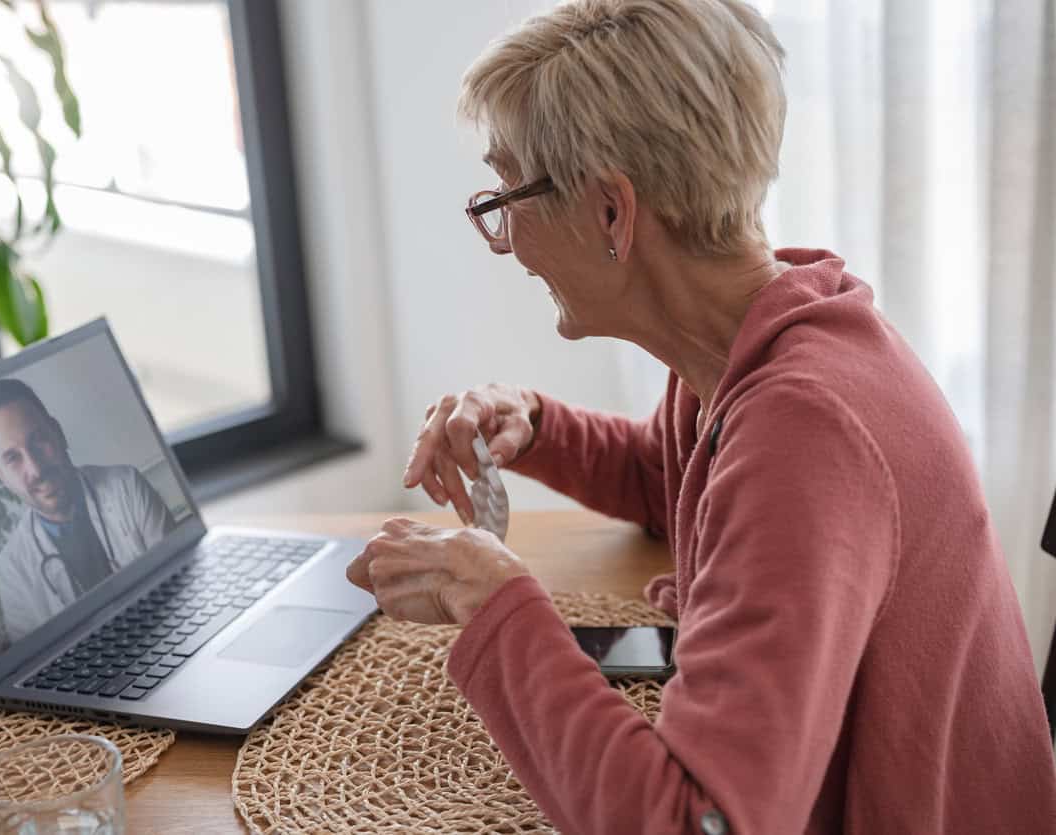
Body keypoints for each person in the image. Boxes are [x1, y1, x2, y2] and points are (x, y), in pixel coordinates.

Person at [344, 1, 1056, 832]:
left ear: (612, 211)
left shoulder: (806, 431)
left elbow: (696, 820)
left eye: (507, 192)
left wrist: (494, 598)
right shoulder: (763, 341)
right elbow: (684, 482)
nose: (504, 237)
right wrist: (535, 423)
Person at [0, 378, 177, 641]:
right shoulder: (12, 568)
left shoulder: (126, 486)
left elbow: (179, 584)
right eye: (13, 458)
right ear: (0, 475)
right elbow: (35, 660)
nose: (35, 469)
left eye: (38, 440)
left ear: (58, 433)